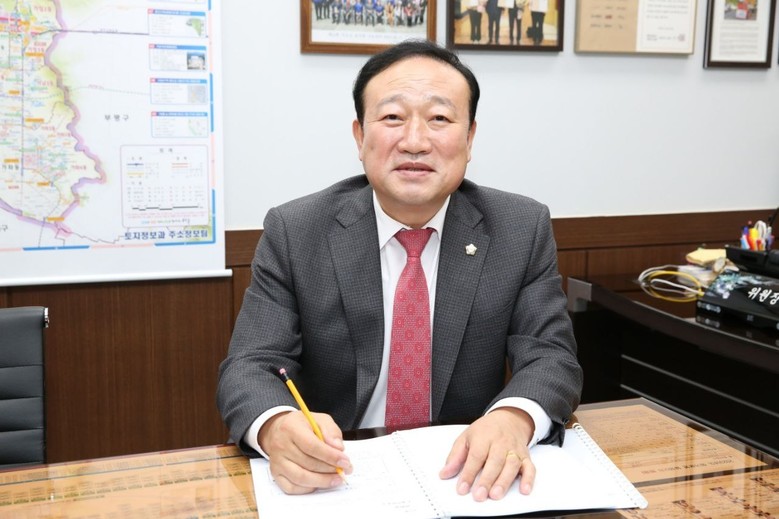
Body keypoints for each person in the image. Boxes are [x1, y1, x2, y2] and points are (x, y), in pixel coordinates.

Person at [217, 39, 582, 501]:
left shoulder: (519, 228)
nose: (415, 141)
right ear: (359, 136)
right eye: (392, 117)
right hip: (340, 478)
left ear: (469, 138)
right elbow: (249, 366)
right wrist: (276, 426)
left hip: (462, 477)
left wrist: (514, 418)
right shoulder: (297, 231)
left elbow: (551, 356)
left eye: (439, 119)